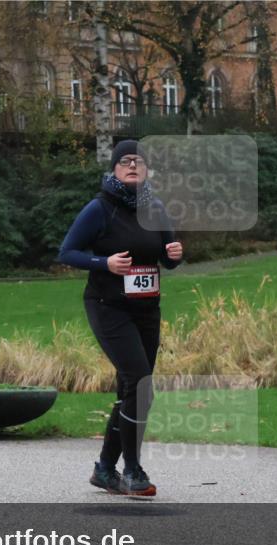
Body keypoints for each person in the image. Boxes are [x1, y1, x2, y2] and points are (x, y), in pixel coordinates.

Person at [57, 140, 184, 497]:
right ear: (114, 168)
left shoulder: (155, 208)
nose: (132, 166)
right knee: (140, 384)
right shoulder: (100, 208)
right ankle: (132, 470)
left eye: (138, 162)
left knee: (132, 388)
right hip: (108, 306)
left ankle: (103, 470)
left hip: (147, 309)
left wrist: (174, 254)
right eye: (125, 161)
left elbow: (167, 256)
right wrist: (104, 263)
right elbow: (67, 252)